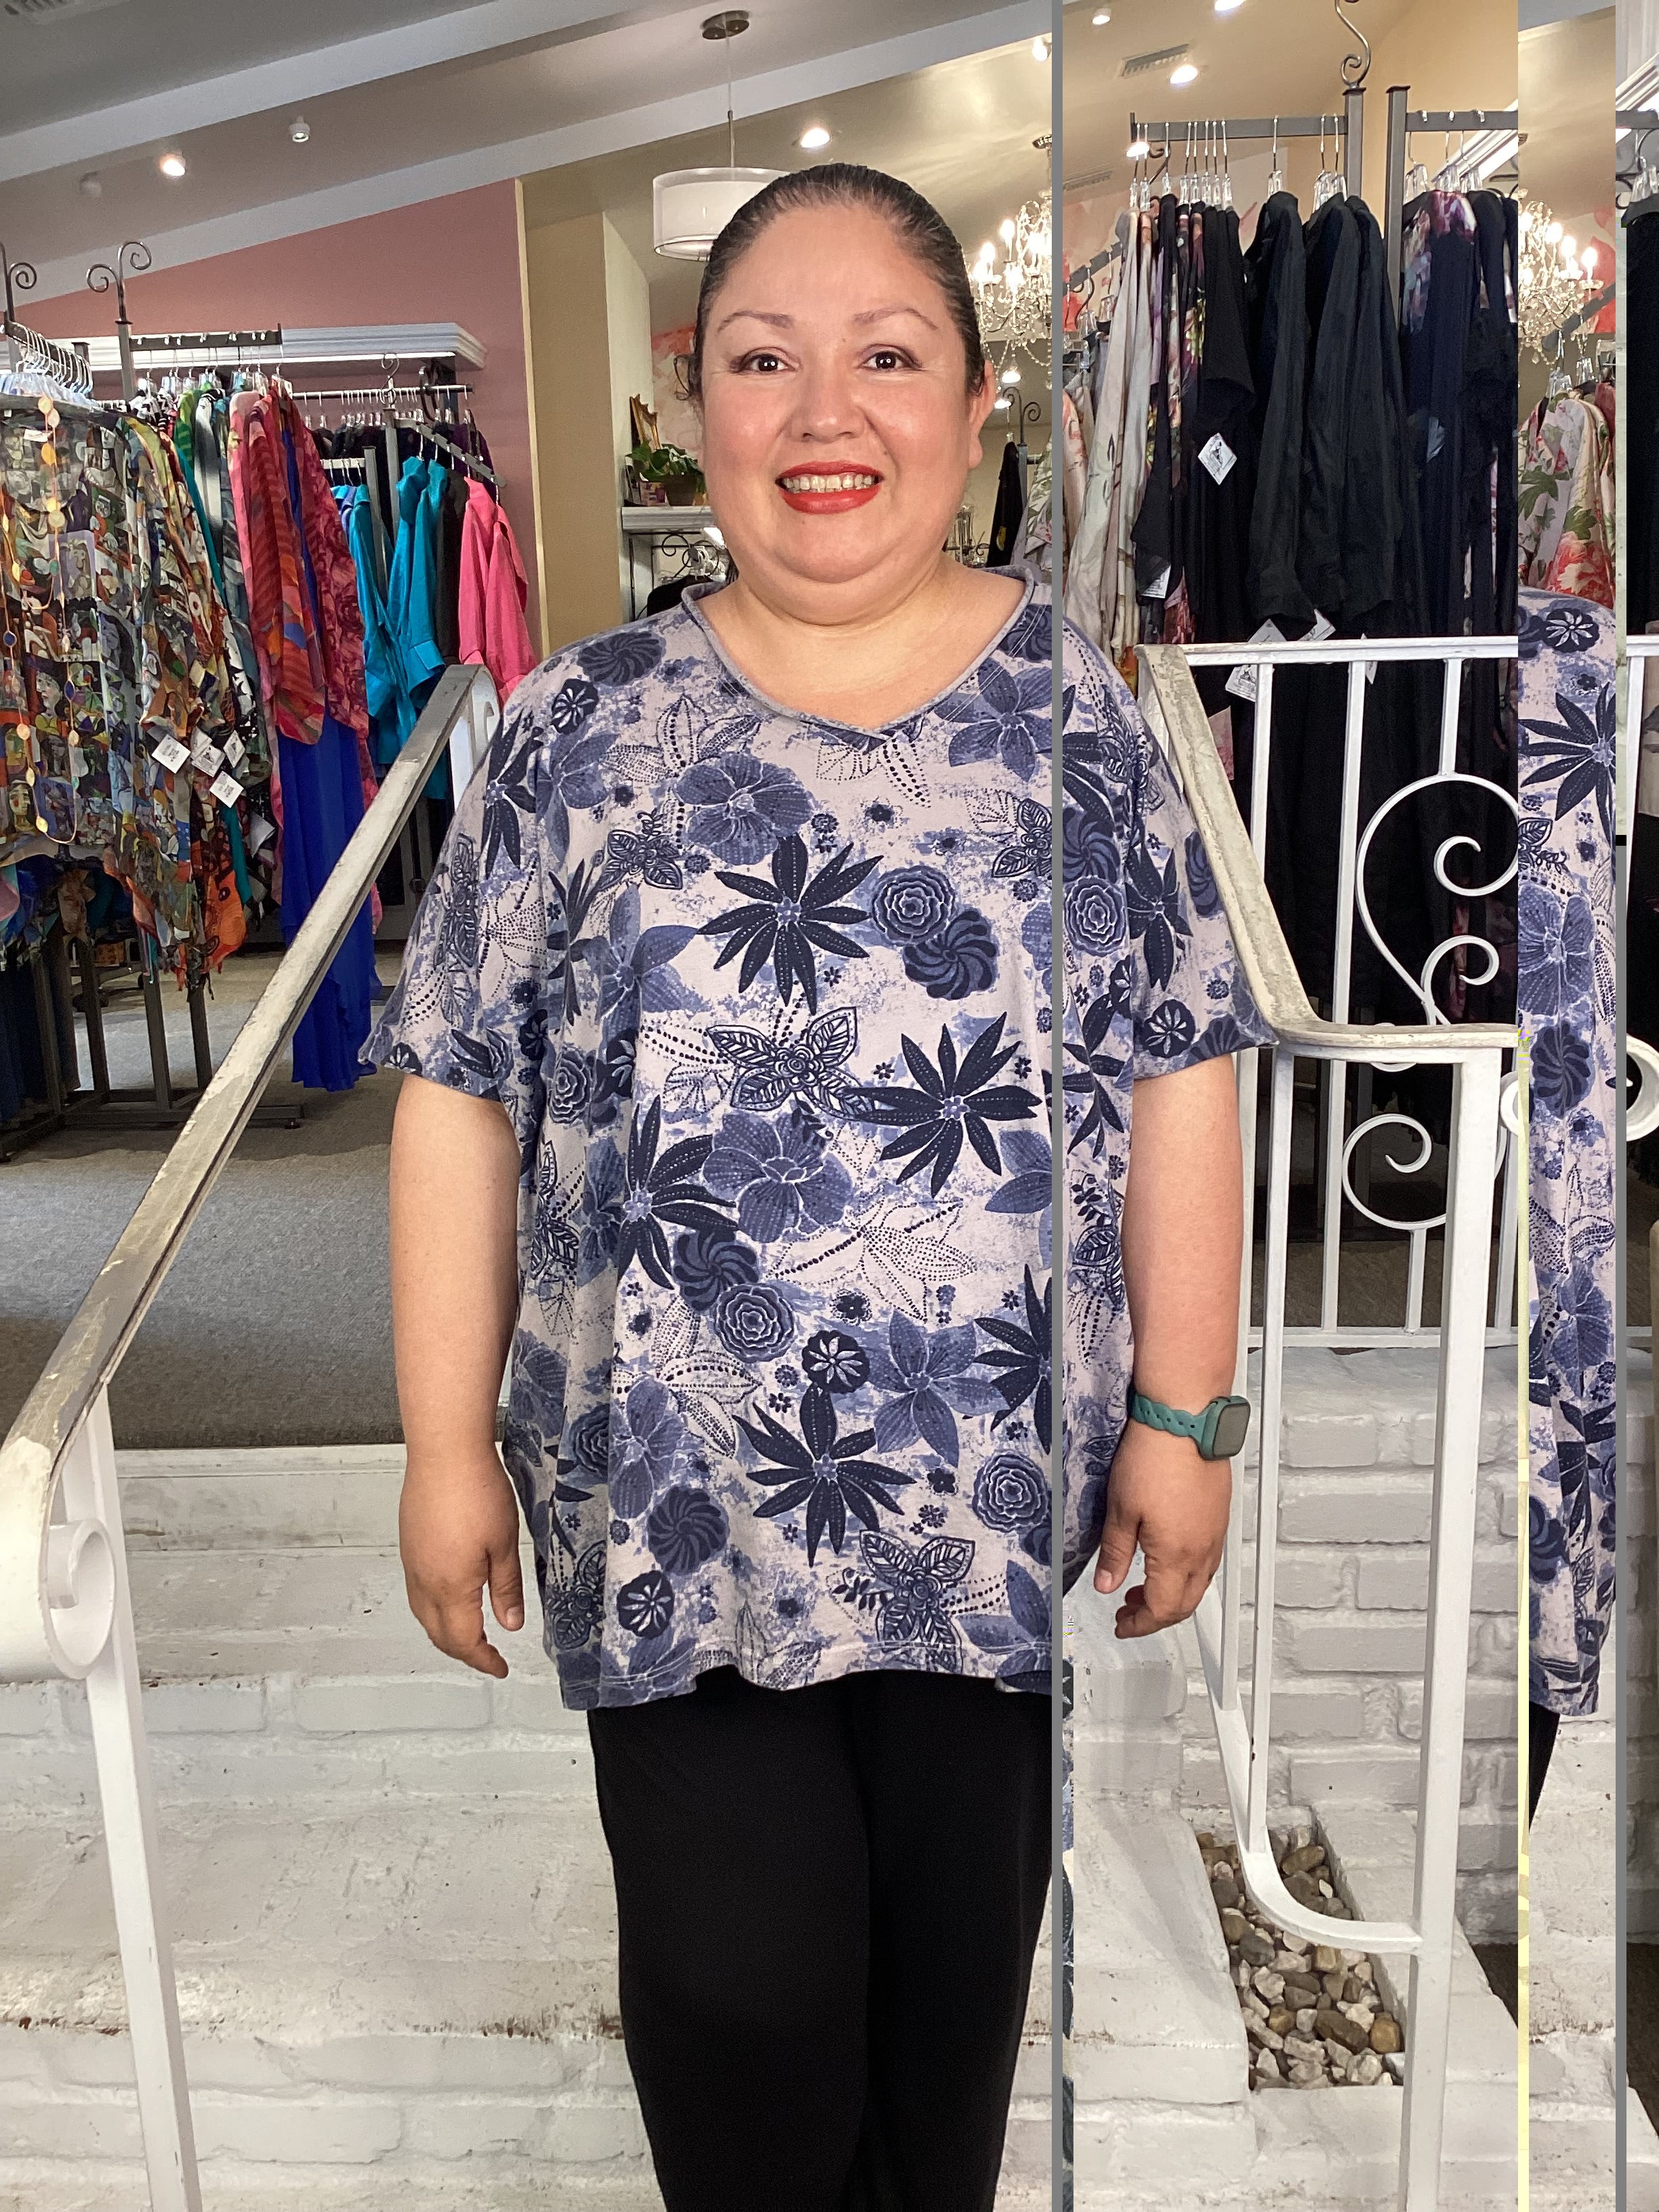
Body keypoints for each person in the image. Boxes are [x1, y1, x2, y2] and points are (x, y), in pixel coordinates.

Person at [368, 163, 1260, 2212]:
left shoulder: (1081, 720)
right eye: (766, 361)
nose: (826, 415)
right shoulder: (580, 730)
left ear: (976, 405)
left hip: (987, 1513)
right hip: (669, 1507)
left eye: (889, 358)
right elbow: (458, 1095)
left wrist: (1187, 1415)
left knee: (944, 2061)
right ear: (695, 402)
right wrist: (441, 1444)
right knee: (740, 2021)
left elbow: (1182, 1063)